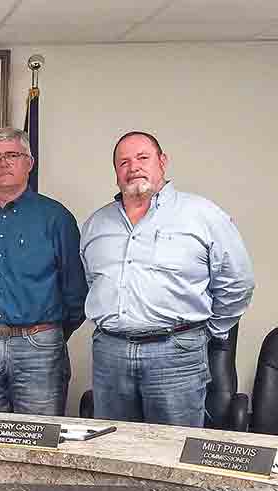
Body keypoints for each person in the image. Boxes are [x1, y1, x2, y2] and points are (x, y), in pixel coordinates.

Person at [80, 131, 254, 427]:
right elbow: (92, 282)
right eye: (123, 162)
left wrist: (205, 331)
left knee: (173, 452)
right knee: (112, 450)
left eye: (142, 158)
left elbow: (238, 282)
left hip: (176, 353)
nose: (133, 166)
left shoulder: (202, 215)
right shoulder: (96, 224)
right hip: (111, 354)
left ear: (163, 162)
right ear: (116, 174)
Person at [0, 127, 87, 416]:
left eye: (12, 155)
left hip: (37, 345)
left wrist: (48, 333)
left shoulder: (56, 217)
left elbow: (75, 290)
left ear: (29, 162)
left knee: (39, 439)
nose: (4, 163)